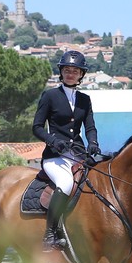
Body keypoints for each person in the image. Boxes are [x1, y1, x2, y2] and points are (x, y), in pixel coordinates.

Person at [32, 50, 100, 251]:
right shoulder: (50, 96)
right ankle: (50, 233)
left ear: (81, 75)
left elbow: (89, 127)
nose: (71, 74)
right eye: (67, 70)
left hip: (78, 154)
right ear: (61, 72)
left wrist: (93, 142)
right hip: (55, 156)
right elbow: (36, 127)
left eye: (75, 71)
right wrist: (53, 141)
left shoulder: (84, 100)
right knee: (65, 182)